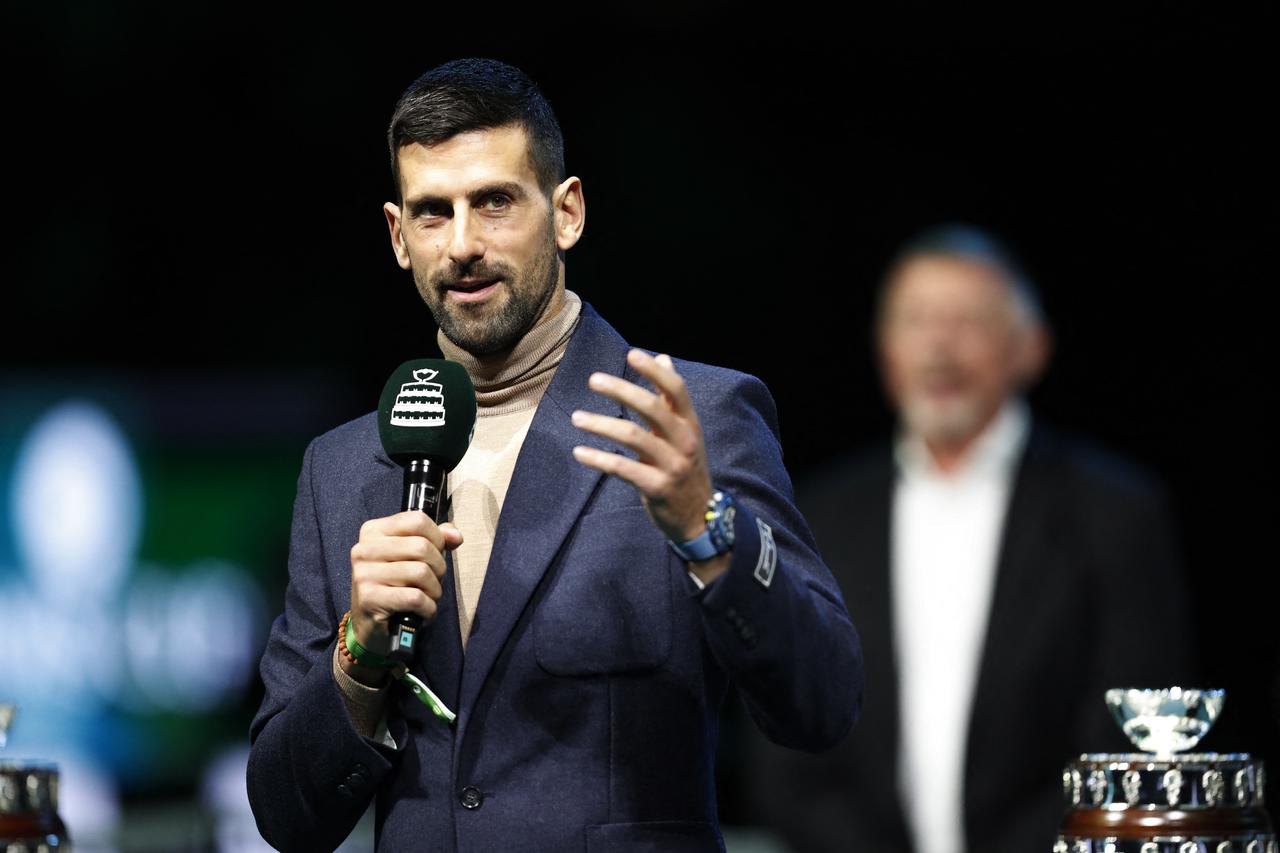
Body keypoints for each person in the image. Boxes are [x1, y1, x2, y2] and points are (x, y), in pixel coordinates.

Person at [245, 58, 862, 853]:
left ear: (566, 212)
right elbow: (286, 817)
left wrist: (708, 527)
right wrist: (358, 656)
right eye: (434, 213)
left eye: (495, 202)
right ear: (399, 236)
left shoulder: (686, 418)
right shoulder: (342, 469)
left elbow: (825, 703)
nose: (463, 244)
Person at [750, 225, 1192, 853]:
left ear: (1029, 348)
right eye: (917, 320)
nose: (939, 345)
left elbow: (1129, 735)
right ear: (884, 350)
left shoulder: (1113, 512)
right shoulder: (819, 514)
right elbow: (785, 735)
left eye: (969, 321)